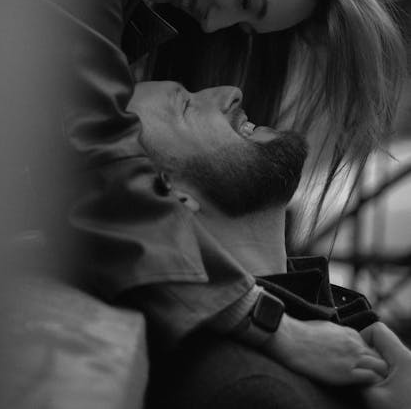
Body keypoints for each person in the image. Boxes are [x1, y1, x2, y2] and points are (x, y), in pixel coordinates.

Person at [23, 0, 405, 380]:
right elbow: (87, 149)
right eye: (248, 0)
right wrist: (268, 323)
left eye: (244, 23)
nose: (214, 24)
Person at [127, 79, 409, 409]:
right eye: (186, 106)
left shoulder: (325, 317)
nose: (232, 92)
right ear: (172, 194)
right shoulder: (251, 389)